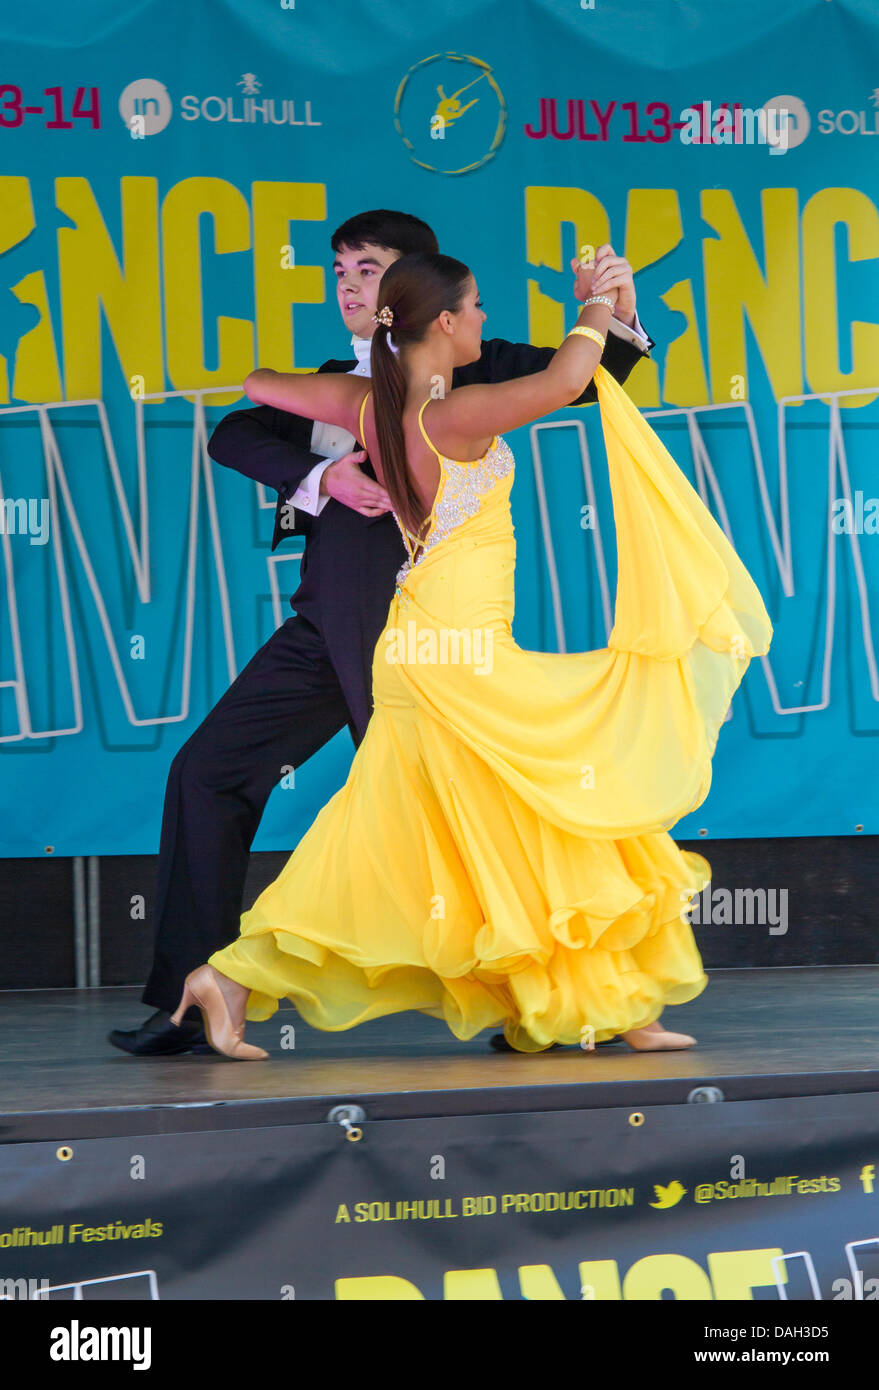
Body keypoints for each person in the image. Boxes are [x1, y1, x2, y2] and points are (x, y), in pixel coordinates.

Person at [168, 251, 773, 1060]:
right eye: (478, 306)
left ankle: (607, 1004)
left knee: (491, 821)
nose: (486, 320)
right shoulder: (448, 416)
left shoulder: (368, 405)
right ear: (444, 323)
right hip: (457, 658)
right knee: (546, 799)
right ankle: (237, 977)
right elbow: (565, 381)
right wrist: (593, 302)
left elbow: (256, 384)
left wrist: (332, 443)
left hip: (419, 651)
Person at [109, 210, 653, 1057]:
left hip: (413, 626)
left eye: (368, 270)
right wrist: (324, 476)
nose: (350, 286)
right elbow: (235, 427)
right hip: (328, 615)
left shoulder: (474, 357)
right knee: (209, 771)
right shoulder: (340, 383)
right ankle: (189, 992)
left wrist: (610, 308)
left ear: (415, 287)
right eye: (340, 271)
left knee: (451, 803)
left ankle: (547, 999)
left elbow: (586, 377)